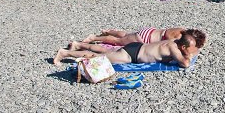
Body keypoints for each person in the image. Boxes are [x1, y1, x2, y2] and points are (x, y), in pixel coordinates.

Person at [53, 29, 206, 68]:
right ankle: (65, 53)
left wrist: (192, 50)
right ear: (184, 47)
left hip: (136, 48)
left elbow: (189, 50)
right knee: (99, 58)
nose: (193, 52)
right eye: (190, 49)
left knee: (107, 51)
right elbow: (184, 64)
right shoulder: (174, 47)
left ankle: (78, 44)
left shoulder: (175, 40)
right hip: (132, 54)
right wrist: (188, 56)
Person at [80, 27, 188, 47]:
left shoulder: (181, 29)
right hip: (145, 38)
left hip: (150, 31)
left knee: (126, 34)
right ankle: (93, 38)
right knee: (118, 42)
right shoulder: (178, 37)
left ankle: (108, 31)